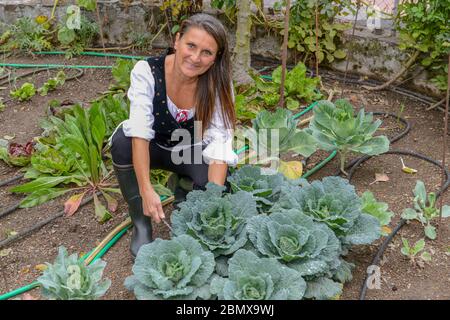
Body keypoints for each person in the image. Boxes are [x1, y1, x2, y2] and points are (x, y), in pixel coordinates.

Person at [110, 13, 238, 257]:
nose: (195, 57)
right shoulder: (147, 72)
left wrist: (213, 201)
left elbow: (220, 142)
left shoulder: (218, 84)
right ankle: (141, 223)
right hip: (154, 146)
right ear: (177, 40)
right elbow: (140, 133)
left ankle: (192, 210)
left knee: (217, 183)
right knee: (122, 143)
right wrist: (147, 190)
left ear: (215, 59)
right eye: (191, 45)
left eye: (206, 52)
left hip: (191, 149)